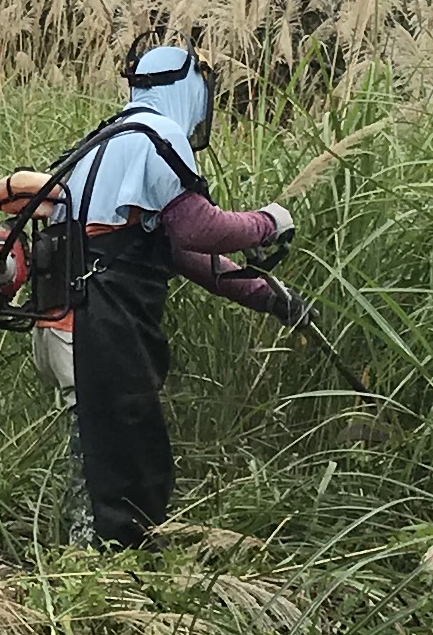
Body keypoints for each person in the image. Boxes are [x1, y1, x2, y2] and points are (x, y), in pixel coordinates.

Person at [55, 41, 304, 547]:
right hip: (103, 320)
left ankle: (82, 566)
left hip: (67, 318)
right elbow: (198, 229)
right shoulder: (159, 134)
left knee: (98, 454)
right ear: (191, 89)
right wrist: (267, 222)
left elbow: (171, 251)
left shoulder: (103, 140)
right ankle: (114, 580)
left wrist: (270, 297)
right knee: (128, 462)